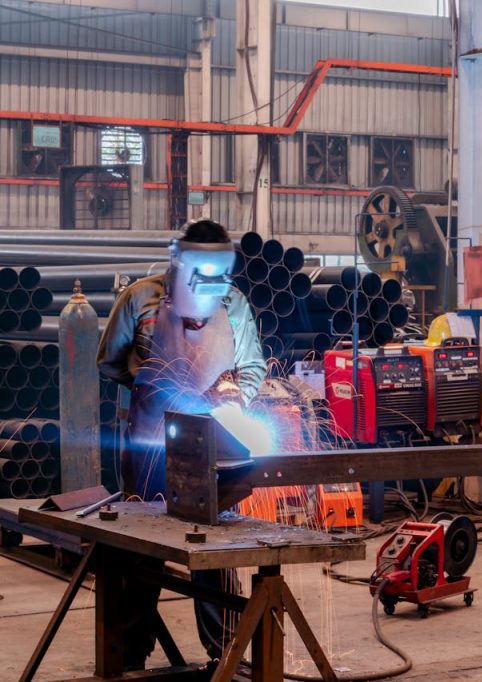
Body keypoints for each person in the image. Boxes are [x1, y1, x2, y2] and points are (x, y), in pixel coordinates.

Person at [97, 218, 267, 668]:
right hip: (149, 446)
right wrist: (150, 387)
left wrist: (236, 394)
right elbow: (108, 362)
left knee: (214, 548)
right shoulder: (139, 299)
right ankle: (130, 654)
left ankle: (225, 652)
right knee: (142, 546)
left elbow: (253, 367)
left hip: (212, 448)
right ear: (180, 266)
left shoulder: (235, 304)